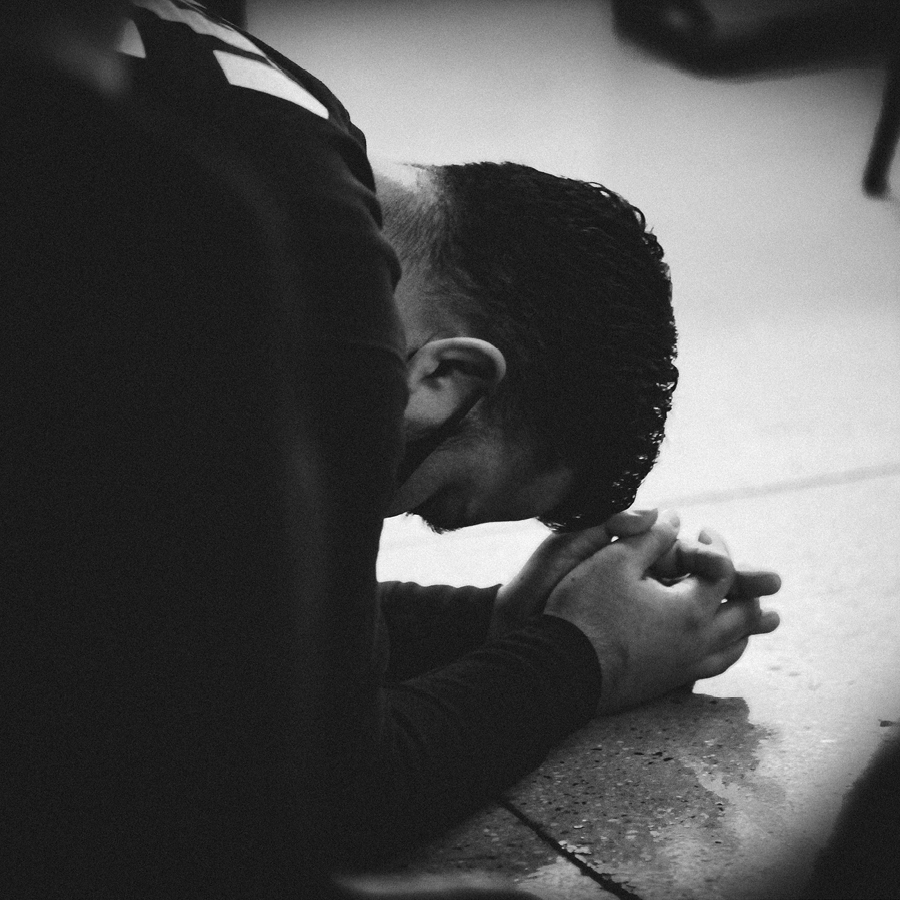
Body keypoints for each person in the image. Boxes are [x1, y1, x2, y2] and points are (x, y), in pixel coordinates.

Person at [3, 1, 780, 896]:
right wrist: (587, 655)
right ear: (446, 376)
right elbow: (322, 789)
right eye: (428, 497)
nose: (382, 510)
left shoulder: (285, 116)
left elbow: (183, 599)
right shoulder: (324, 289)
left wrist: (490, 625)